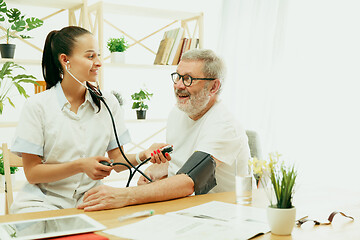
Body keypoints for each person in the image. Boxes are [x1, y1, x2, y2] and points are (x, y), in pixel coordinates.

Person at [10, 26, 169, 214]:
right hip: (43, 201)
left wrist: (145, 154)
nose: (99, 62)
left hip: (91, 200)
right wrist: (80, 166)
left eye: (98, 55)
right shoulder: (37, 105)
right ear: (65, 60)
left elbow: (117, 161)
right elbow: (32, 173)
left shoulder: (108, 103)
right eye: (90, 56)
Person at [77, 49, 250, 211]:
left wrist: (124, 195)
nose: (179, 85)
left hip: (219, 212)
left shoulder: (224, 125)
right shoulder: (178, 113)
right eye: (178, 77)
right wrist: (161, 170)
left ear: (213, 87)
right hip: (184, 206)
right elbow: (184, 158)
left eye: (188, 79)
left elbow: (190, 179)